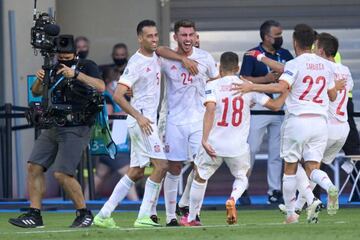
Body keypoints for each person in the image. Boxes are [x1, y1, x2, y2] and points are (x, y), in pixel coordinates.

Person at [234, 24, 344, 224]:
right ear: (312, 42)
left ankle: (291, 214)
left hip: (298, 120)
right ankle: (329, 187)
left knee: (290, 167)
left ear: (295, 42)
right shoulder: (327, 66)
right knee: (312, 167)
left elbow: (280, 86)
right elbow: (333, 95)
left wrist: (252, 86)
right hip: (320, 122)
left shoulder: (295, 64)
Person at [93, 20, 197, 228]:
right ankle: (143, 216)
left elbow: (163, 50)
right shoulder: (136, 62)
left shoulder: (156, 54)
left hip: (146, 120)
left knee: (136, 171)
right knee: (162, 165)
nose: (154, 39)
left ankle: (103, 215)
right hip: (142, 121)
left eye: (156, 35)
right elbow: (118, 95)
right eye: (150, 36)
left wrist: (182, 60)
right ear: (140, 38)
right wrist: (139, 117)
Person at [179, 52, 286, 226]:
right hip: (237, 146)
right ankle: (233, 198)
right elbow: (275, 106)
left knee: (200, 177)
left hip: (214, 143)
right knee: (242, 176)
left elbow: (210, 110)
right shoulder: (248, 86)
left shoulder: (212, 86)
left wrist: (204, 140)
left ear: (220, 68)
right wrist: (286, 92)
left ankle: (192, 217)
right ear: (237, 68)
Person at [8, 35, 105, 228]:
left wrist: (75, 74)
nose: (64, 57)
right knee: (33, 166)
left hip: (77, 126)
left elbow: (101, 87)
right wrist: (39, 79)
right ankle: (35, 215)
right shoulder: (51, 68)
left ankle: (84, 213)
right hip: (54, 124)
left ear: (75, 53)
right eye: (61, 54)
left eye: (68, 54)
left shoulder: (87, 65)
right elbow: (36, 92)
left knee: (62, 174)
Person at [156, 19, 219, 226]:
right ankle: (171, 217)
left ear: (196, 36)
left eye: (191, 35)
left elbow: (216, 83)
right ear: (176, 37)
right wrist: (182, 60)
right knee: (173, 168)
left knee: (200, 166)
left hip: (198, 120)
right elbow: (158, 49)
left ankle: (192, 214)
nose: (188, 39)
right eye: (183, 35)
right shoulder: (167, 59)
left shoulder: (205, 58)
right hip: (174, 121)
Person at [239, 20, 293, 205]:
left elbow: (295, 74)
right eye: (277, 35)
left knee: (277, 152)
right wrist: (266, 79)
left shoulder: (285, 54)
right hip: (259, 107)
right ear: (266, 37)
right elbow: (244, 79)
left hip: (280, 106)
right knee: (251, 148)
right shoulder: (252, 54)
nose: (280, 38)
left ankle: (274, 191)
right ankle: (242, 188)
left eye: (281, 35)